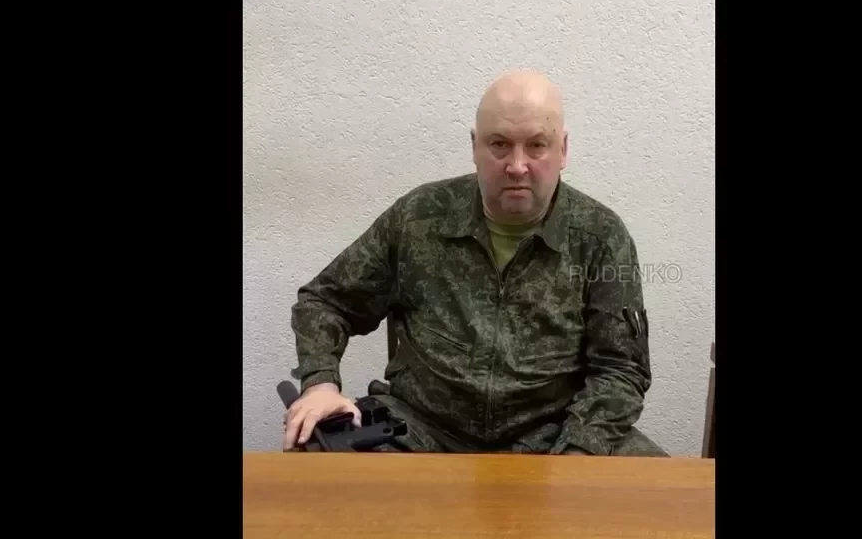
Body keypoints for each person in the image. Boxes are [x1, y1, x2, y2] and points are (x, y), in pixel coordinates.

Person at [283, 69, 667, 456]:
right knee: (316, 466)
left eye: (537, 145)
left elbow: (620, 369)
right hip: (420, 431)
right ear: (474, 146)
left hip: (551, 435)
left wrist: (578, 452)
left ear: (563, 150)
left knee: (661, 486)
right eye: (499, 144)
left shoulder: (600, 238)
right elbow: (326, 301)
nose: (517, 166)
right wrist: (320, 385)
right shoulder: (419, 218)